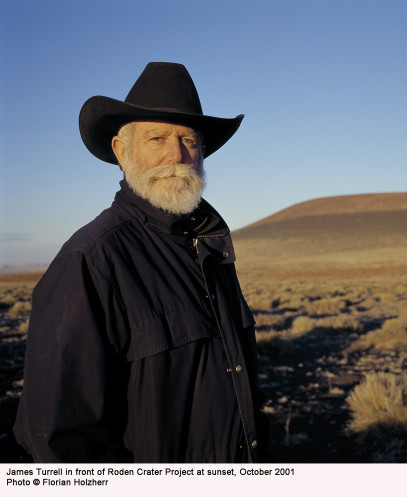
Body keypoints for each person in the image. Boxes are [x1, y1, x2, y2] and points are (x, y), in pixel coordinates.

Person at [14, 62, 269, 463]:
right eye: (157, 138)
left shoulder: (211, 248)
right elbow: (60, 438)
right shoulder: (92, 259)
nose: (177, 154)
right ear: (121, 150)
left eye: (189, 139)